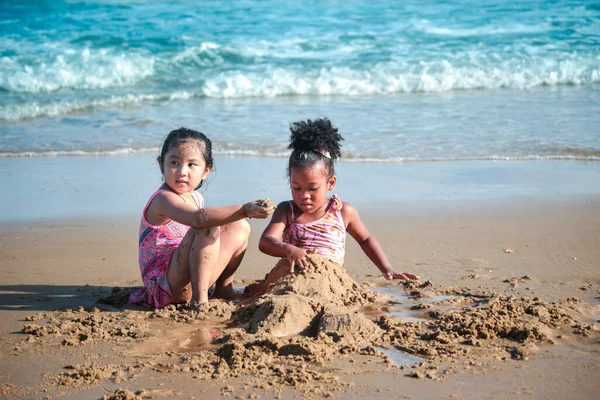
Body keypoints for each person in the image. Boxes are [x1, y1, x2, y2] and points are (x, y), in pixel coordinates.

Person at [129, 127, 275, 310]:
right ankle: (199, 301)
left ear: (206, 170)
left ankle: (223, 288)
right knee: (208, 225)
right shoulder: (162, 199)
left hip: (190, 277)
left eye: (191, 165)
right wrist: (244, 209)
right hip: (165, 286)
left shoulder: (196, 198)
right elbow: (198, 219)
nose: (182, 171)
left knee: (239, 226)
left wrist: (242, 215)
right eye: (174, 162)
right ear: (161, 164)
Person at [259, 118, 419, 281]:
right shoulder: (287, 211)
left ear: (331, 183)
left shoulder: (342, 212)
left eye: (313, 188)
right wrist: (289, 250)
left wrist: (387, 269)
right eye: (296, 188)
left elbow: (365, 239)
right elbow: (266, 241)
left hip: (331, 282)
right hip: (292, 281)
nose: (304, 195)